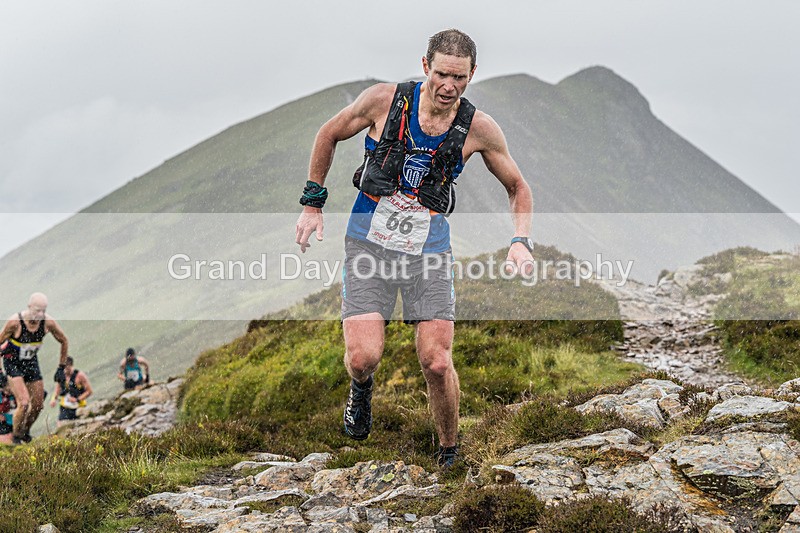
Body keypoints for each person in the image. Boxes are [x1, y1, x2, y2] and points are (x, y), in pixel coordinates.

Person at [294, 29, 534, 467]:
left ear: (472, 74)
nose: (449, 86)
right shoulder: (384, 102)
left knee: (437, 361)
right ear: (426, 66)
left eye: (459, 78)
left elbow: (517, 186)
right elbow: (328, 134)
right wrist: (313, 204)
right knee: (363, 357)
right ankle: (361, 389)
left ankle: (448, 451)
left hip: (429, 255)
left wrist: (519, 241)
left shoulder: (478, 129)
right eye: (442, 74)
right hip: (368, 246)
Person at [0, 292, 70, 445]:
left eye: (43, 310)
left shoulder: (48, 323)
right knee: (24, 403)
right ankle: (16, 438)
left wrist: (61, 368)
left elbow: (64, 340)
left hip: (31, 363)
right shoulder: (15, 322)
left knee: (37, 404)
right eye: (37, 310)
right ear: (29, 307)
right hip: (12, 362)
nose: (40, 314)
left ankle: (24, 432)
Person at [49, 356, 92, 426]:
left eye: (66, 367)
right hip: (65, 407)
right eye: (63, 368)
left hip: (79, 406)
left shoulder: (80, 376)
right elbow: (57, 389)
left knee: (80, 426)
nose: (65, 370)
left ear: (71, 365)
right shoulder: (61, 375)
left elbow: (89, 391)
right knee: (60, 425)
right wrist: (53, 399)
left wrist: (77, 399)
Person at [0, 371, 16, 445]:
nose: (8, 392)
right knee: (7, 443)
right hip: (4, 423)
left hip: (15, 422)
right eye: (6, 390)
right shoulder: (1, 396)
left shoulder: (17, 393)